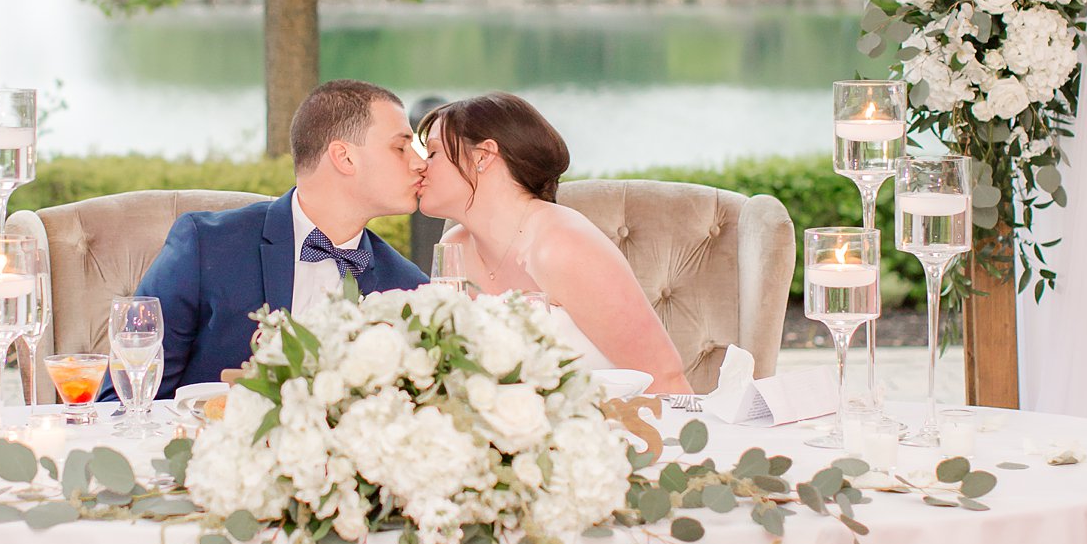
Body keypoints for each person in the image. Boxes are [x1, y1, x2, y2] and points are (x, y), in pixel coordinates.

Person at [127, 79, 428, 399]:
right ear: (345, 157)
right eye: (400, 147)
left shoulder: (407, 287)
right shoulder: (207, 246)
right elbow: (126, 399)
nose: (419, 162)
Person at [416, 92, 690, 395]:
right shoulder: (456, 247)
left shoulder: (562, 245)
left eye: (432, 154)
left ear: (483, 156)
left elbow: (664, 377)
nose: (420, 166)